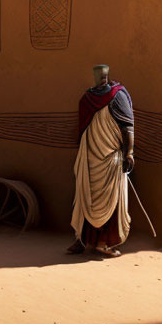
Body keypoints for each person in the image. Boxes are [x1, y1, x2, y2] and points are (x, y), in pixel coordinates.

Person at [68, 64, 134, 258]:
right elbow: (128, 127)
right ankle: (82, 239)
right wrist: (129, 152)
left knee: (98, 200)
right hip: (91, 158)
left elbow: (127, 126)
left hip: (108, 158)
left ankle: (102, 242)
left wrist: (128, 153)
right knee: (84, 198)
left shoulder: (112, 96)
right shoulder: (89, 99)